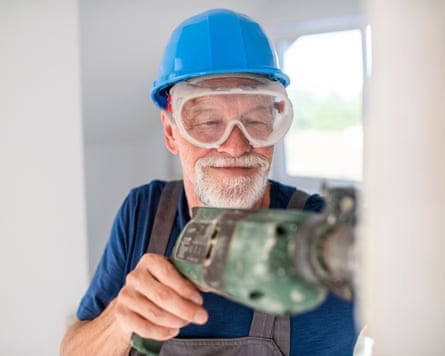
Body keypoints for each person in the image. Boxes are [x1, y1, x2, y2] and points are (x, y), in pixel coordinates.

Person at [61, 8, 356, 356]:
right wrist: (119, 322)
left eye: (256, 120)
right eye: (207, 123)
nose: (234, 146)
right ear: (172, 132)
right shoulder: (143, 212)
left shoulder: (331, 235)